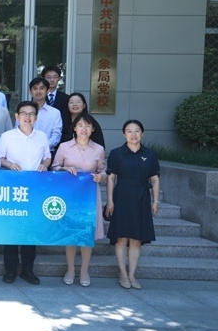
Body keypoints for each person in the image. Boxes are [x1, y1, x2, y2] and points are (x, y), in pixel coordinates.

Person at [0, 101, 52, 285]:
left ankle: (28, 270)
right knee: (12, 229)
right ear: (17, 116)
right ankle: (10, 270)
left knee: (30, 230)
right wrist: (9, 164)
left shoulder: (41, 136)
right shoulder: (7, 136)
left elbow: (47, 156)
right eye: (24, 113)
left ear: (36, 117)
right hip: (13, 189)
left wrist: (45, 164)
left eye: (31, 114)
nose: (27, 117)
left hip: (35, 189)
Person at [52, 112, 107, 287]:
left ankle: (84, 270)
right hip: (70, 196)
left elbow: (103, 170)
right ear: (74, 128)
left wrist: (101, 177)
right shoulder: (64, 147)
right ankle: (70, 269)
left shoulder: (98, 149)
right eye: (80, 125)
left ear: (93, 129)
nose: (84, 129)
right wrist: (65, 168)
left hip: (89, 196)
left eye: (87, 126)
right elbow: (54, 167)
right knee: (71, 233)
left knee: (86, 232)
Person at [105, 120, 160, 291]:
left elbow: (155, 179)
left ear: (142, 133)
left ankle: (132, 275)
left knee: (136, 239)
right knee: (121, 238)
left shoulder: (150, 154)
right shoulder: (117, 153)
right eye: (129, 131)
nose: (133, 134)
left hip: (142, 198)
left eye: (137, 131)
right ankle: (122, 274)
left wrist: (155, 200)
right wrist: (110, 200)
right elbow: (111, 178)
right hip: (122, 197)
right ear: (124, 134)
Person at [27, 76, 62, 153]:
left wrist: (42, 147)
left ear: (47, 91)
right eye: (35, 88)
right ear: (30, 91)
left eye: (42, 88)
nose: (38, 91)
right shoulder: (24, 111)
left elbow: (56, 136)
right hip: (26, 151)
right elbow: (17, 131)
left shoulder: (55, 113)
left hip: (47, 152)